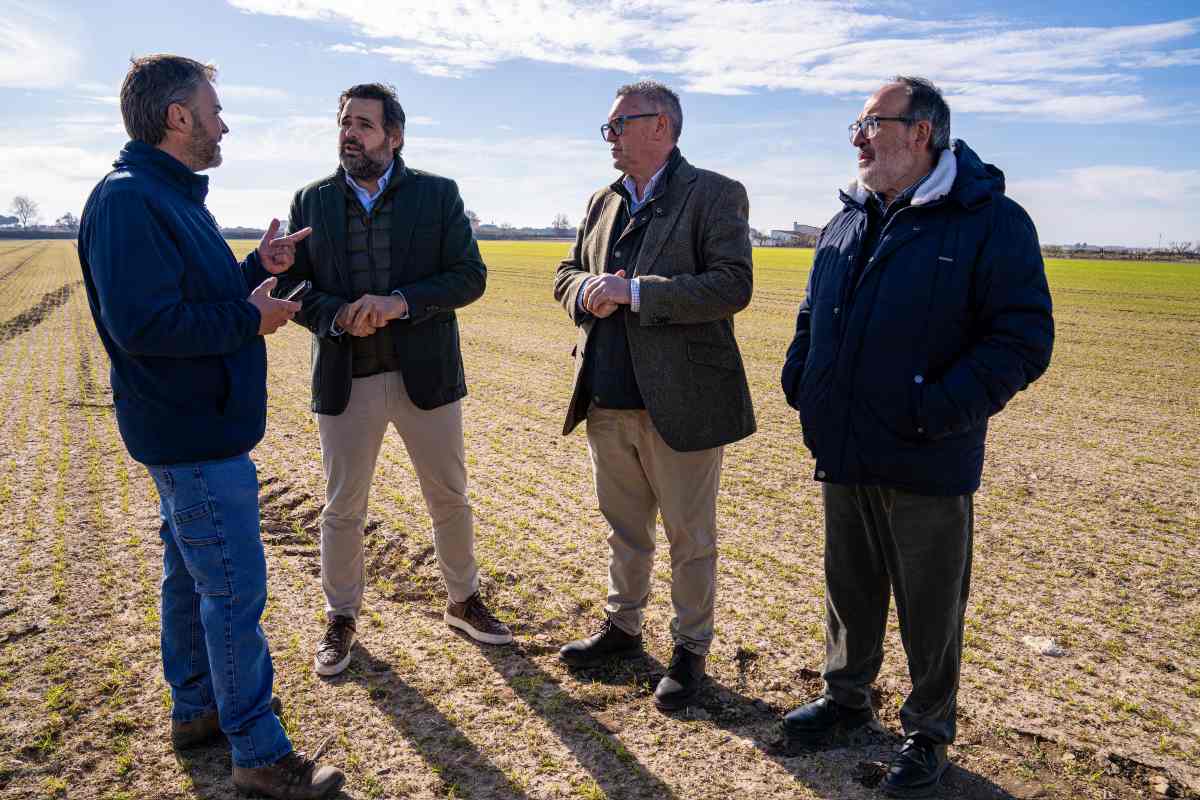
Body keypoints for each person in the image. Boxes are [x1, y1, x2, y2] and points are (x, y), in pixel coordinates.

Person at [780, 76, 1054, 797]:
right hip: (842, 446)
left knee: (931, 607)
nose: (859, 138)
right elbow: (814, 312)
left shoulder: (991, 221)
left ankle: (928, 732)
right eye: (857, 126)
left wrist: (935, 409)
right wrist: (801, 380)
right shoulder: (848, 217)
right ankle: (846, 698)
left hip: (929, 455)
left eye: (871, 123)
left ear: (922, 132)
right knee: (849, 589)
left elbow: (1023, 339)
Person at [77, 54, 342, 798]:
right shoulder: (131, 200)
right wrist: (247, 317)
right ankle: (258, 752)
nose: (223, 122)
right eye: (214, 109)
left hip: (192, 428)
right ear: (178, 117)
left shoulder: (167, 197)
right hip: (191, 432)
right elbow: (145, 323)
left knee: (189, 579)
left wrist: (257, 264)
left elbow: (186, 291)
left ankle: (197, 710)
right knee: (232, 591)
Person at [280, 82, 510, 678]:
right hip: (346, 378)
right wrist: (336, 315)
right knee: (342, 508)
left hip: (425, 378)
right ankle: (340, 617)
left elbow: (469, 276)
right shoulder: (311, 201)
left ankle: (463, 601)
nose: (349, 133)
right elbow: (293, 290)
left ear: (395, 135)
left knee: (449, 498)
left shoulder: (437, 196)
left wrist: (399, 302)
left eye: (363, 123)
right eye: (344, 123)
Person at [553, 80, 756, 711]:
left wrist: (636, 294)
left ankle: (690, 650)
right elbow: (564, 273)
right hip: (607, 396)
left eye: (619, 124)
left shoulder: (716, 194)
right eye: (608, 127)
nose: (609, 136)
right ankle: (623, 628)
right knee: (624, 529)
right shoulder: (601, 201)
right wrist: (584, 289)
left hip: (682, 402)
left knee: (689, 536)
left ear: (662, 126)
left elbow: (731, 285)